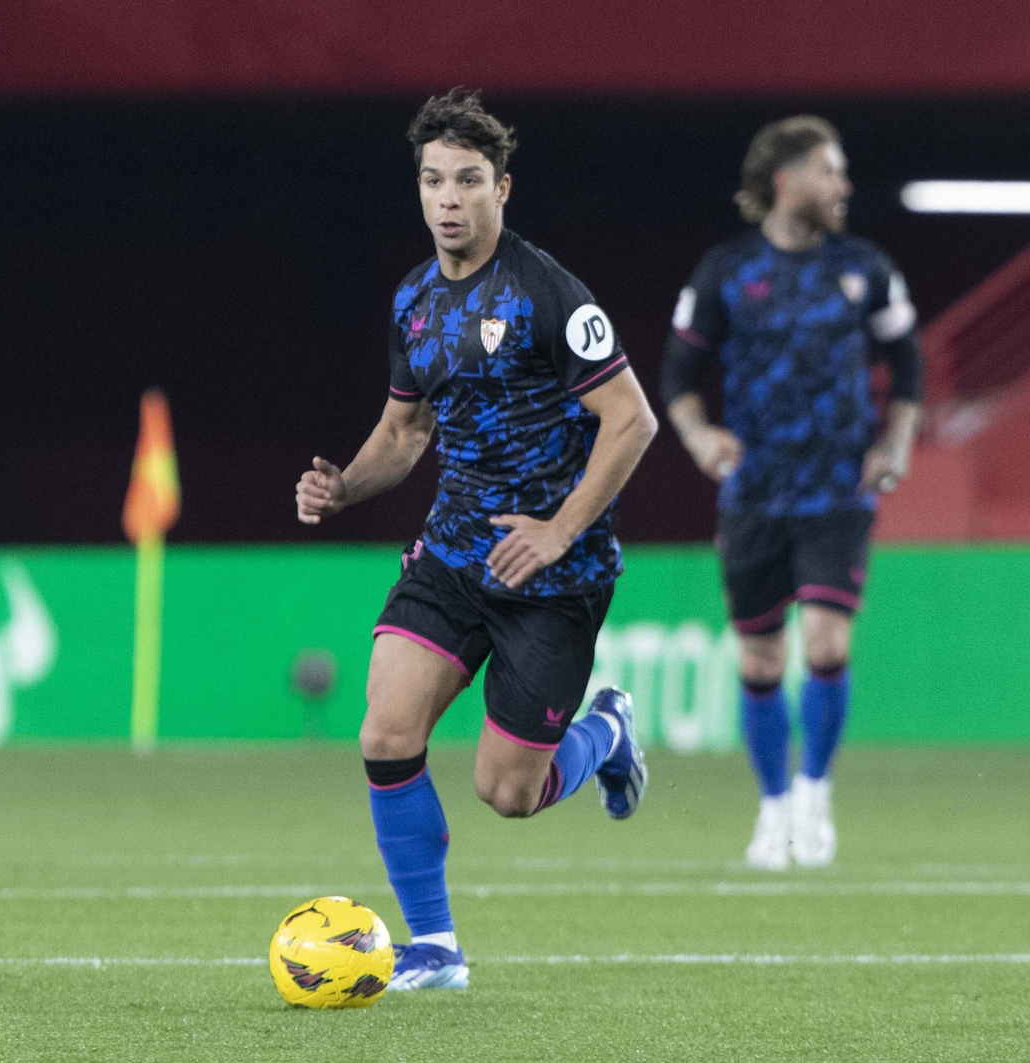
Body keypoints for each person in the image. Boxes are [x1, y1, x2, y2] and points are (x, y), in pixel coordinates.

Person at [294, 89, 658, 988]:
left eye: (466, 180)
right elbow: (405, 434)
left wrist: (557, 528)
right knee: (385, 732)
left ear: (502, 187)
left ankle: (605, 733)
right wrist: (342, 486)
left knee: (510, 793)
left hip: (554, 574)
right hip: (454, 554)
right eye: (431, 181)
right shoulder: (415, 300)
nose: (447, 199)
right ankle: (436, 948)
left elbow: (633, 420)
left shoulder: (548, 292)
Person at [661, 116, 923, 869]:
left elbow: (907, 365)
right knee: (762, 663)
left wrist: (895, 442)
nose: (842, 186)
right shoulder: (726, 271)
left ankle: (815, 794)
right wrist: (701, 436)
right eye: (830, 171)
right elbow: (678, 375)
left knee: (827, 641)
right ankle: (773, 805)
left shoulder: (866, 268)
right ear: (788, 180)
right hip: (754, 493)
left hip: (839, 488)